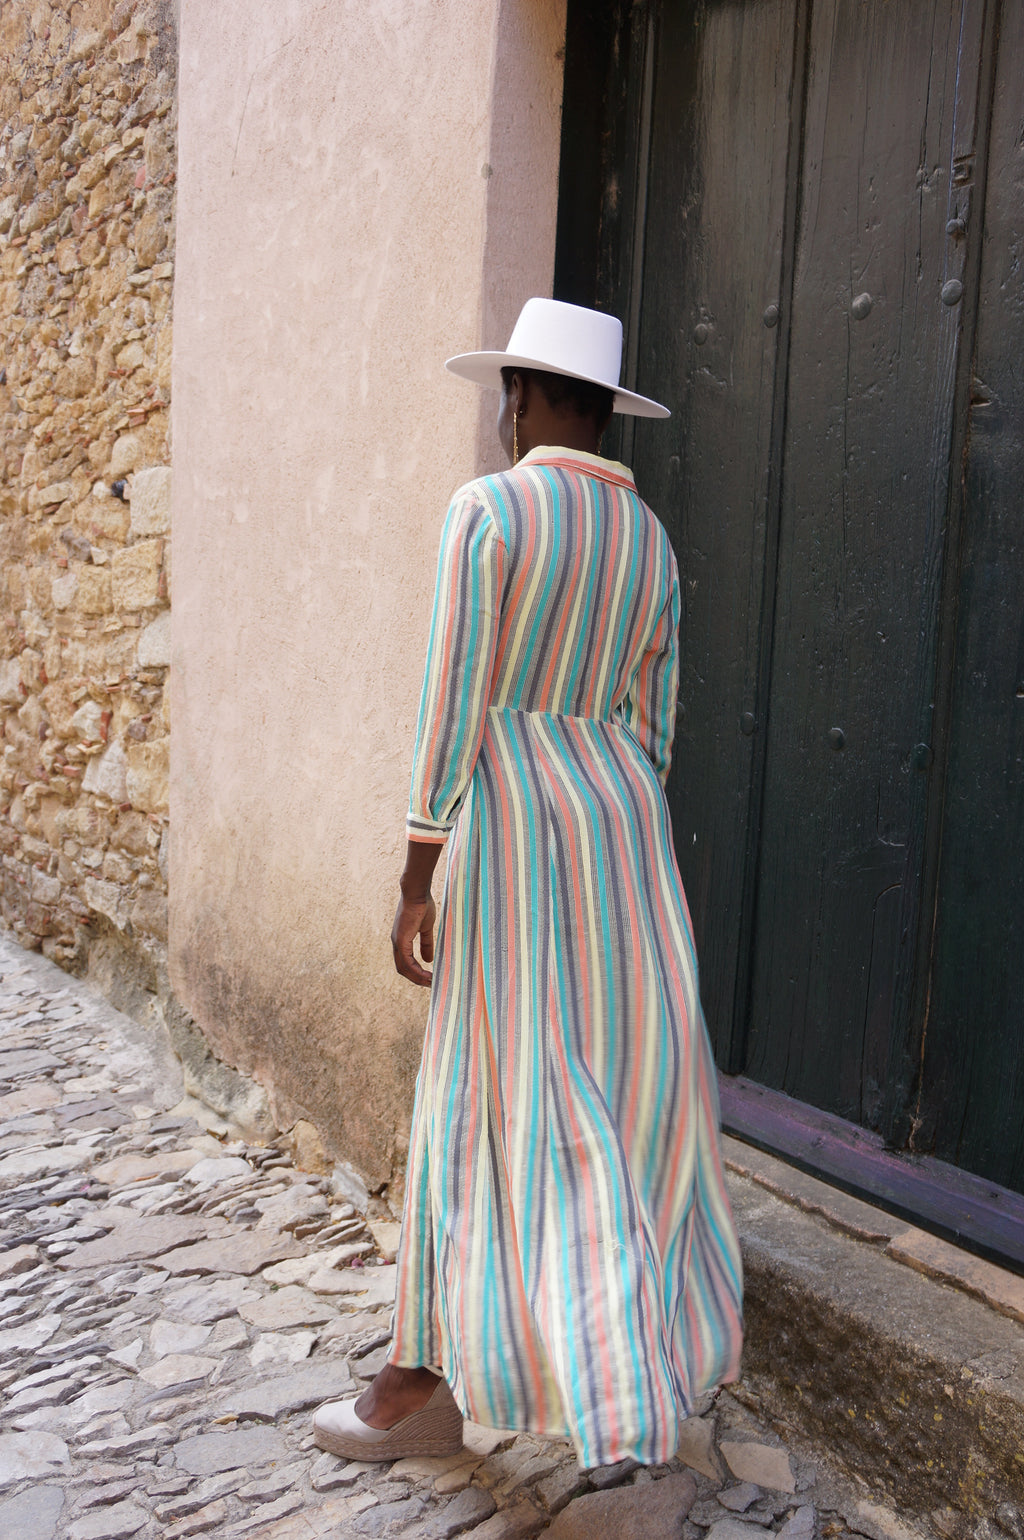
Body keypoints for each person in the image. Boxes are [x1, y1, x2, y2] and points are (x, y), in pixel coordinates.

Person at [313, 298, 743, 1468]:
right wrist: (613, 818)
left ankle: (424, 1377)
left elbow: (453, 699)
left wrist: (417, 870)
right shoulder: (649, 540)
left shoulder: (490, 510)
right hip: (622, 842)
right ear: (603, 409)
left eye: (508, 391)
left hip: (510, 836)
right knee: (617, 1089)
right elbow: (654, 729)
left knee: (481, 1093)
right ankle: (581, 1355)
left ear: (523, 396)